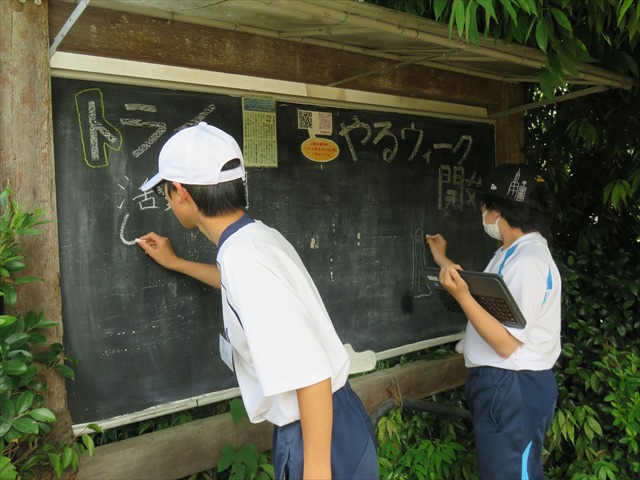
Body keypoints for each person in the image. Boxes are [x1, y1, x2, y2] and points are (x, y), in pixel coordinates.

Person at [137, 122, 378, 480]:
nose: (168, 202)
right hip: (333, 421)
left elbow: (311, 375)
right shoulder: (255, 238)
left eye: (165, 193)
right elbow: (240, 289)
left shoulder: (243, 260)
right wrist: (176, 263)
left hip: (320, 435)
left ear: (180, 192)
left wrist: (315, 472)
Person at [426, 163, 561, 480]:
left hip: (512, 385)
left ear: (499, 210)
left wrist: (461, 297)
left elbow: (504, 343)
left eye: (485, 205)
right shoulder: (509, 253)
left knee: (511, 474)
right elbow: (482, 298)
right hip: (502, 385)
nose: (483, 213)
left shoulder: (528, 262)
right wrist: (442, 259)